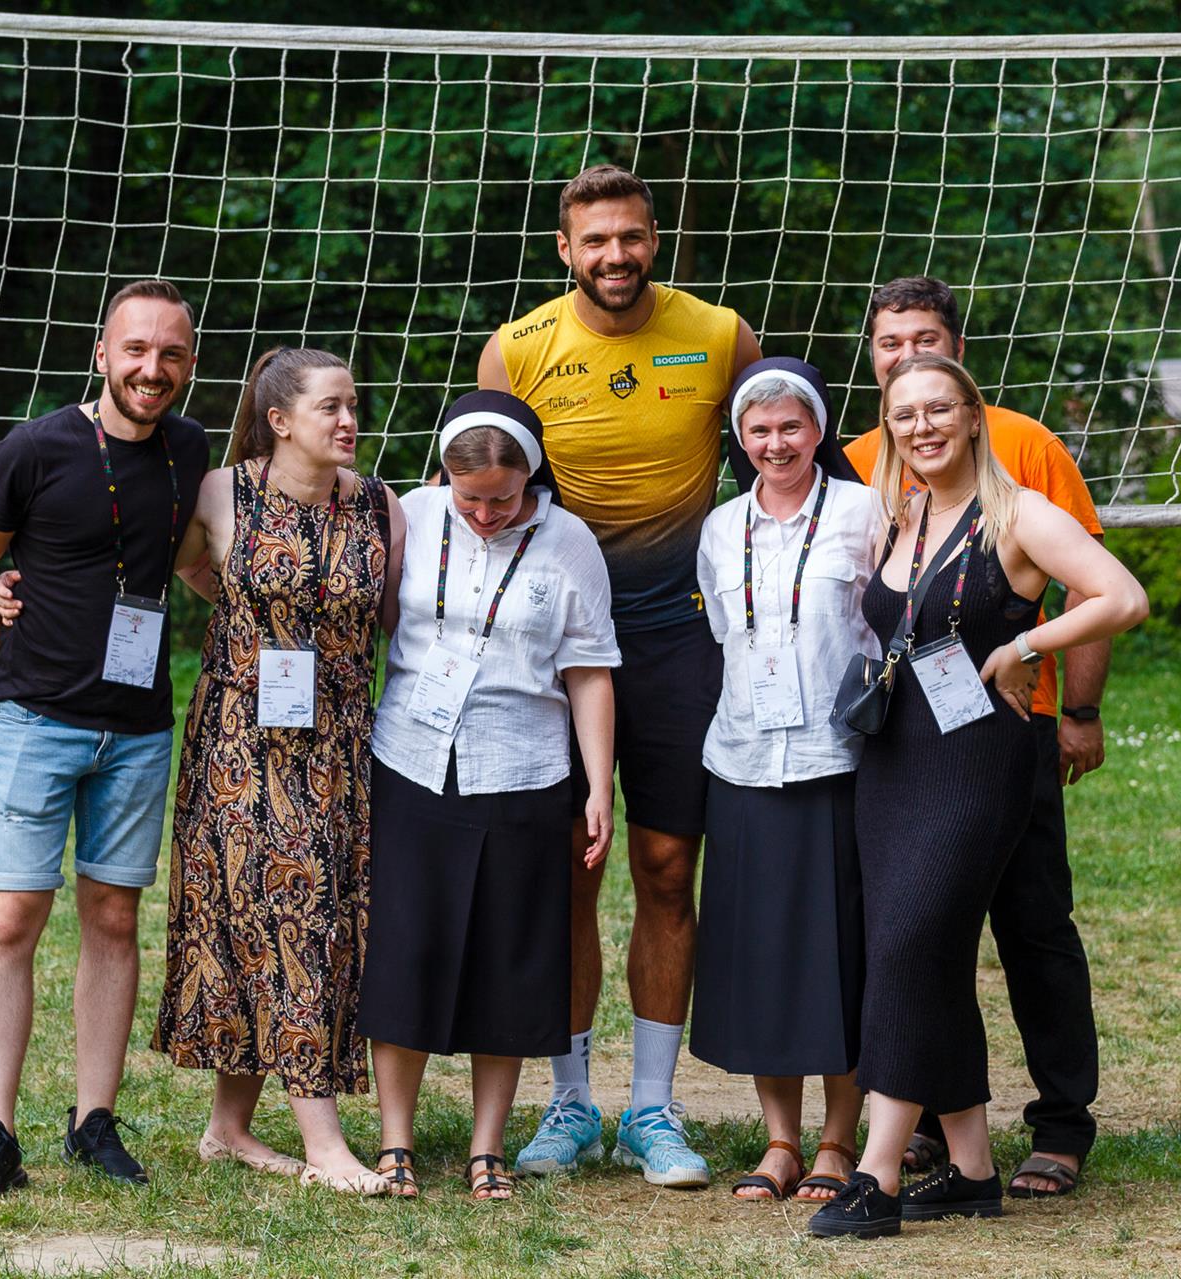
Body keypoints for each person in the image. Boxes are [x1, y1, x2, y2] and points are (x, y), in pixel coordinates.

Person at [808, 354, 1146, 1239]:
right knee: (925, 952)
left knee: (908, 948)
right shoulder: (898, 513)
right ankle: (971, 1169)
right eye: (904, 414)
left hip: (978, 761)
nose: (921, 427)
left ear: (970, 415)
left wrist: (1029, 645)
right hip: (893, 760)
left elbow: (1122, 595)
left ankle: (877, 1172)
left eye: (938, 409)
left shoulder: (1020, 513)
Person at [478, 163, 762, 1187]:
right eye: (595, 240)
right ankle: (568, 1101)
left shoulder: (719, 336)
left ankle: (651, 1106)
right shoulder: (518, 349)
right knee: (567, 870)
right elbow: (478, 494)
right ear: (565, 249)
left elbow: (778, 473)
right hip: (559, 649)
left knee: (666, 868)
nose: (615, 255)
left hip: (681, 640)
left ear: (655, 238)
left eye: (631, 236)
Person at [0, 279, 209, 1196]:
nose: (151, 368)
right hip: (35, 721)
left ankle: (95, 1120)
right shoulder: (35, 447)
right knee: (11, 918)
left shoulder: (189, 450)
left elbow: (187, 555)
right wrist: (19, 647)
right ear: (102, 354)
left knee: (114, 917)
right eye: (135, 349)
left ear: (189, 365)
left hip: (137, 730)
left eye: (170, 353)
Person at [150, 346, 406, 1195]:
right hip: (240, 744)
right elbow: (181, 565)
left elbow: (394, 616)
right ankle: (325, 1144)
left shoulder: (380, 504)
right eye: (332, 406)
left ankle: (228, 1128)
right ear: (280, 420)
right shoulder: (221, 493)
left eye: (354, 404)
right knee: (287, 917)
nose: (349, 420)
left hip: (340, 745)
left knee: (305, 922)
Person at [358, 391, 620, 1201]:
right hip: (411, 758)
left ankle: (487, 1147)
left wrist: (598, 784)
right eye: (469, 498)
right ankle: (395, 1141)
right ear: (445, 477)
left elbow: (589, 670)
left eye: (501, 499)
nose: (482, 515)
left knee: (510, 959)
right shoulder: (412, 515)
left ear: (530, 478)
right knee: (405, 952)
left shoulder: (570, 541)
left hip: (524, 769)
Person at [689, 358, 877, 1205]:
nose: (776, 444)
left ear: (819, 429)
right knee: (762, 952)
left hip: (840, 760)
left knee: (841, 954)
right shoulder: (720, 527)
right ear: (741, 437)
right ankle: (780, 1140)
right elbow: (724, 633)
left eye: (791, 427)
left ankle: (839, 1139)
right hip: (743, 760)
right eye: (759, 430)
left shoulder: (864, 511)